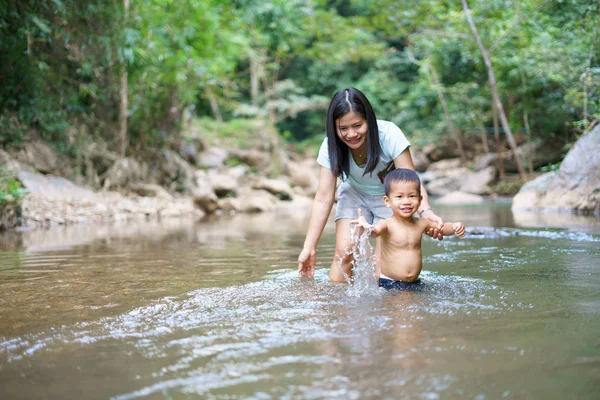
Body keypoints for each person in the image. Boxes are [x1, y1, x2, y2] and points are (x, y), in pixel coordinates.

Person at [297, 87, 444, 281]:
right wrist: (309, 247)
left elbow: (411, 181)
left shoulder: (389, 135)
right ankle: (336, 305)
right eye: (343, 128)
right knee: (344, 253)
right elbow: (323, 198)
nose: (351, 134)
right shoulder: (329, 147)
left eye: (357, 125)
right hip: (354, 194)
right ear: (334, 128)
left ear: (369, 120)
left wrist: (426, 212)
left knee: (386, 263)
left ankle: (385, 308)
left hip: (391, 198)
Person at [351, 168, 466, 289]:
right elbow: (375, 231)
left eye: (412, 196)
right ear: (387, 201)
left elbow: (441, 228)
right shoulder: (386, 224)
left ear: (420, 199)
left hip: (414, 283)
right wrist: (366, 227)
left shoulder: (421, 223)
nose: (406, 201)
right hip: (389, 283)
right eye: (399, 196)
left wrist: (454, 226)